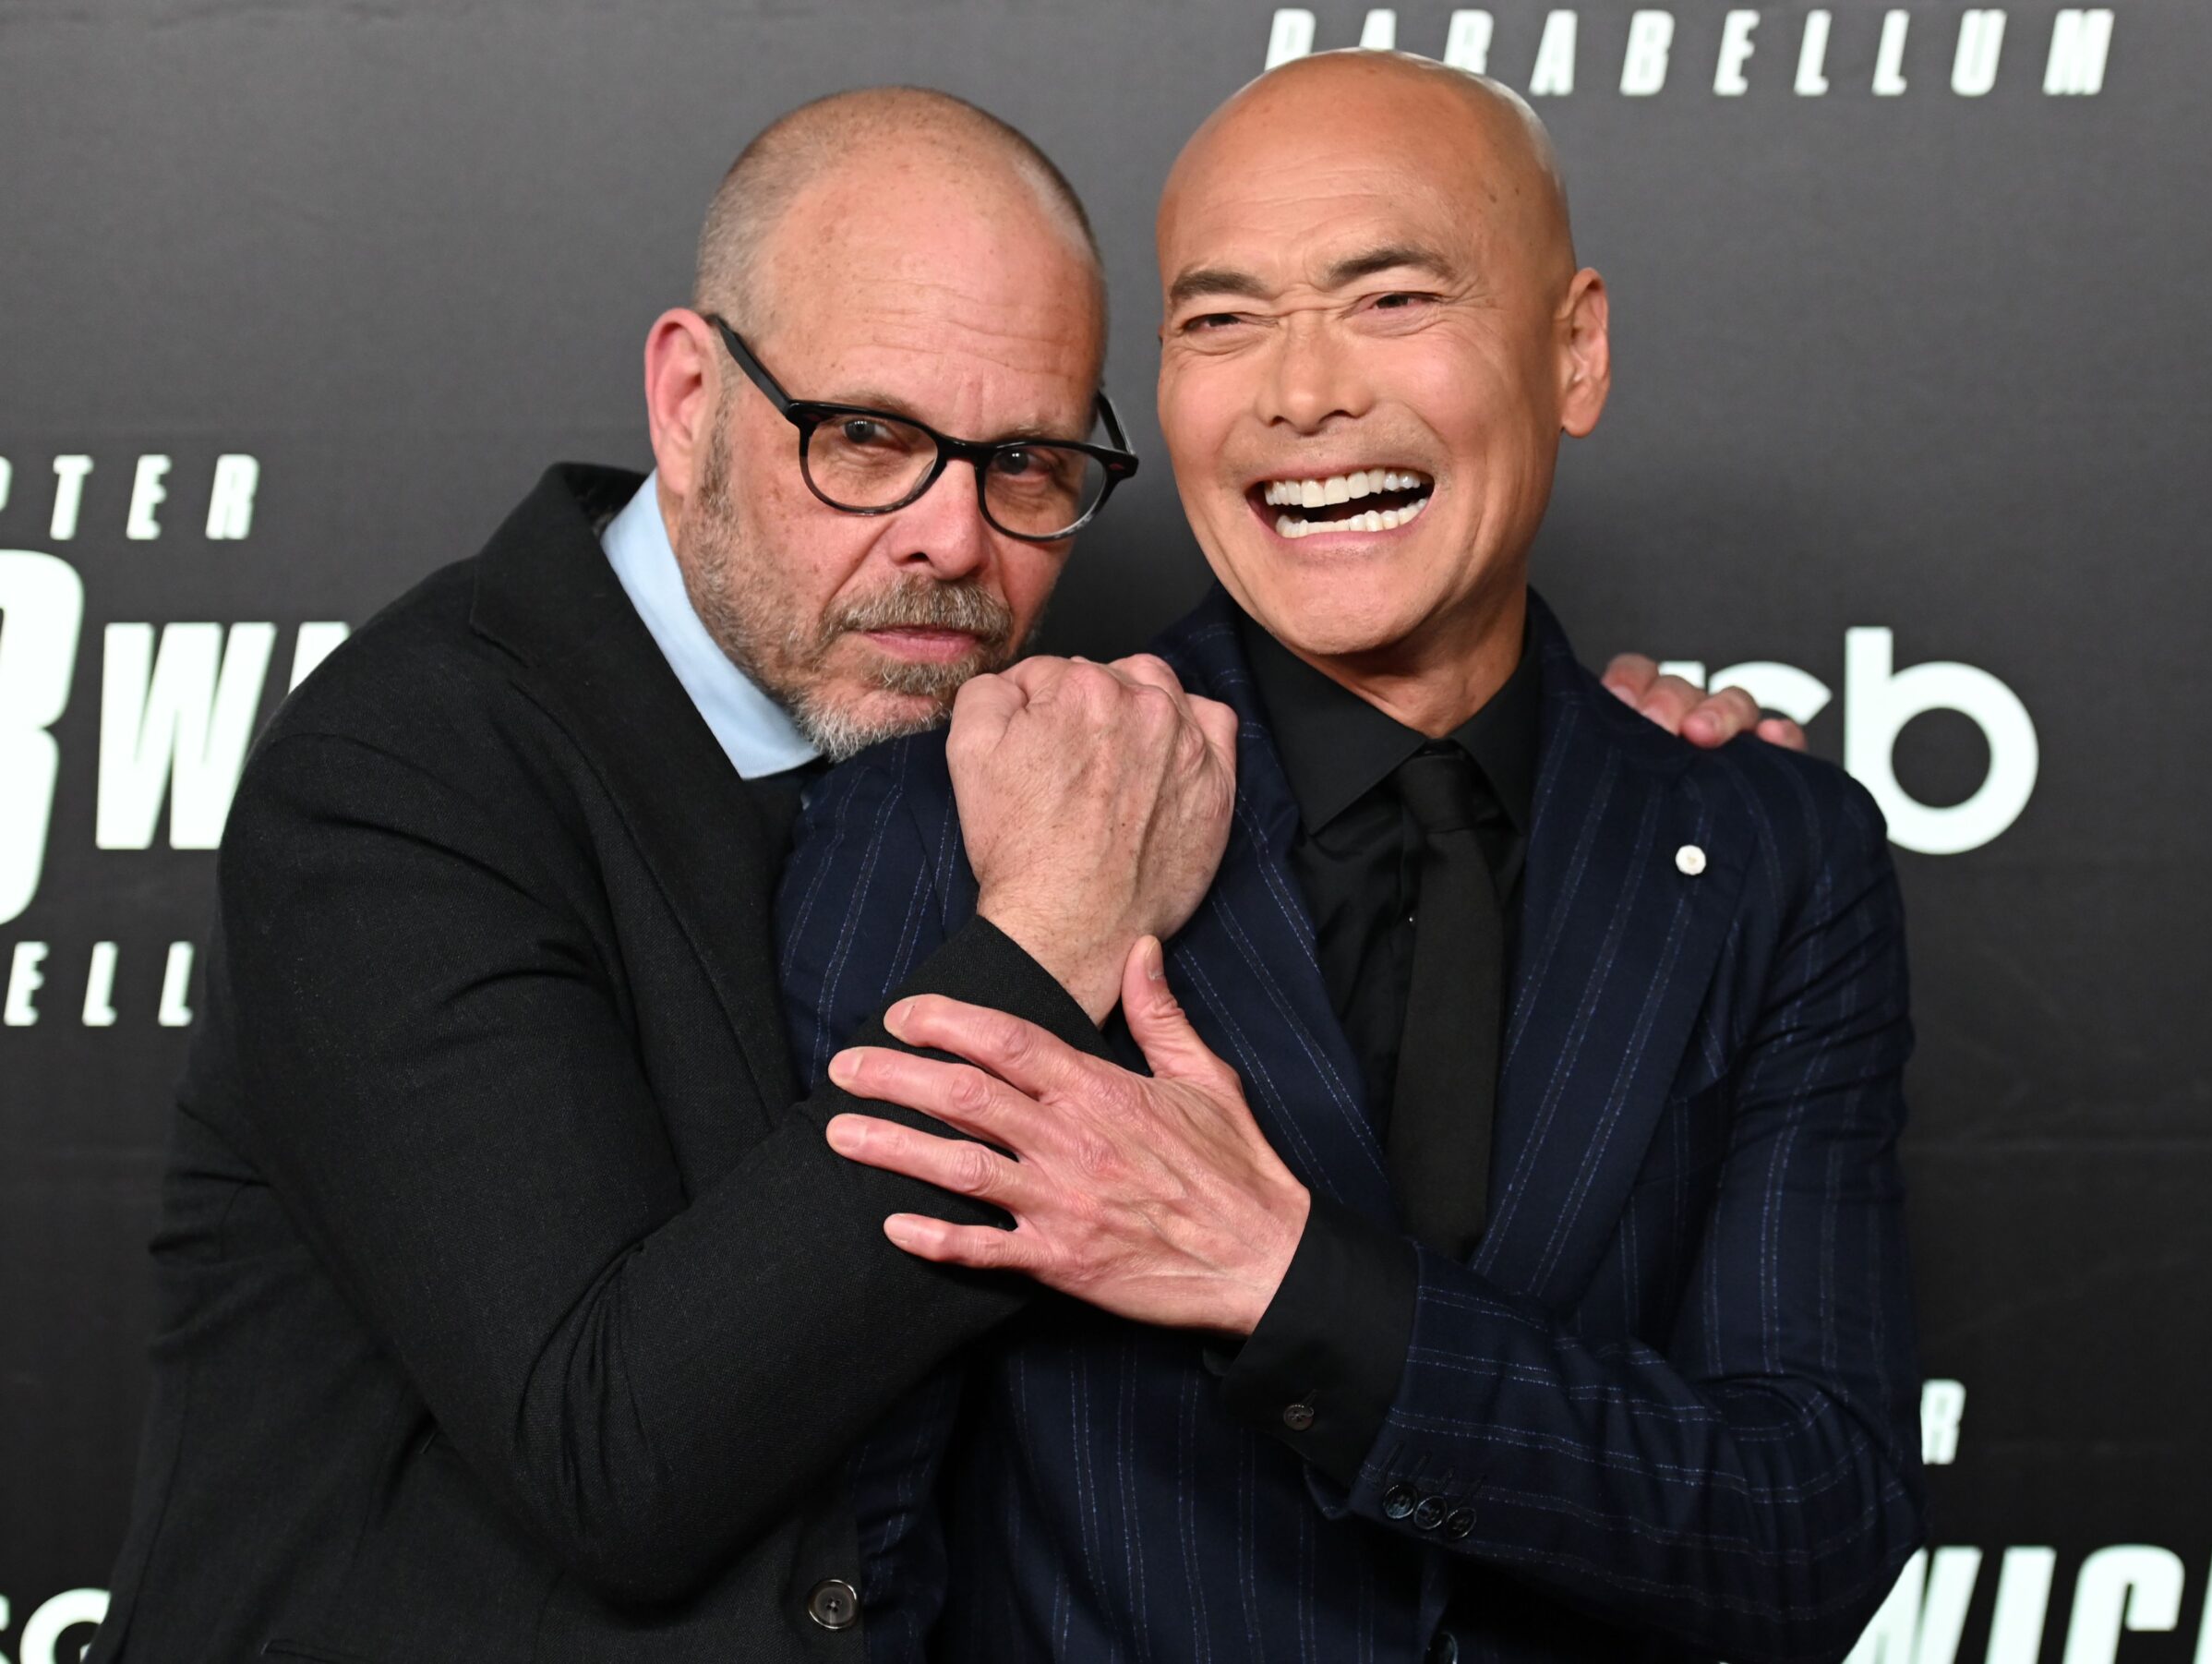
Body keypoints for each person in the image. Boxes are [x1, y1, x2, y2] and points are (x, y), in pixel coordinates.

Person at [88, 87, 1766, 1663]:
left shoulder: (966, 726)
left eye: (1029, 464)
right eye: (868, 437)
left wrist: (1566, 766)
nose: (953, 540)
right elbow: (619, 1452)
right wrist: (1048, 941)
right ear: (688, 400)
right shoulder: (409, 767)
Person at [788, 54, 1923, 1664]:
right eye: (1220, 319)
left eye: (1389, 298)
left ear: (1573, 349)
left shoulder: (1769, 853)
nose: (1299, 391)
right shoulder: (957, 814)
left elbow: (1809, 1527)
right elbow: (843, 1545)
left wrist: (1283, 1278)